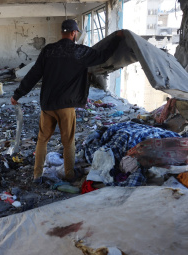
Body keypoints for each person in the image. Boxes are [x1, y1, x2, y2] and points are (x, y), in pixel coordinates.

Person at [11, 19, 124, 183]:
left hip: (47, 104)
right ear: (73, 33)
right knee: (68, 142)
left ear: (62, 33)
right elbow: (102, 56)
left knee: (42, 140)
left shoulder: (48, 50)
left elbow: (33, 75)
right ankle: (69, 174)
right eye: (76, 33)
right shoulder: (79, 52)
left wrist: (17, 94)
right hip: (66, 105)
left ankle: (37, 175)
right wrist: (117, 38)